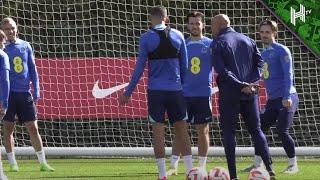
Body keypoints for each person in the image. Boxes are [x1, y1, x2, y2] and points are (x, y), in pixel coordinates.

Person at [118, 6, 192, 180]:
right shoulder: (179, 35)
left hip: (156, 93)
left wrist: (128, 92)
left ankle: (162, 175)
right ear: (167, 19)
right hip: (176, 91)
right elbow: (185, 67)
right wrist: (181, 87)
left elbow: (139, 69)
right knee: (182, 131)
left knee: (158, 131)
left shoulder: (146, 38)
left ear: (150, 20)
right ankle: (190, 173)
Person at [210, 14, 275, 180]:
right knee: (256, 130)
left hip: (230, 95)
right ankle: (270, 168)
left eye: (212, 25)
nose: (211, 29)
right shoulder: (248, 40)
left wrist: (241, 85)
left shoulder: (217, 42)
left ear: (219, 25)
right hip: (250, 94)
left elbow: (223, 71)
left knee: (229, 133)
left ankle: (233, 176)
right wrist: (251, 83)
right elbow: (260, 64)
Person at [241, 20, 299, 174]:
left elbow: (288, 76)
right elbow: (260, 76)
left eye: (267, 32)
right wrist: (251, 84)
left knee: (282, 130)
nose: (264, 35)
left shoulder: (282, 51)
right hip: (273, 100)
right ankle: (257, 164)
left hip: (288, 97)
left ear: (274, 33)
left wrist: (286, 97)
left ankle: (293, 164)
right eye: (262, 32)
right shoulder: (262, 53)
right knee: (259, 130)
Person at [1, 17, 54, 172]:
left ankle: (43, 162)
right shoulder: (1, 49)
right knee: (8, 128)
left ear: (16, 28)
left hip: (25, 94)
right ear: (2, 32)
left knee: (33, 127)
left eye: (12, 28)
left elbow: (33, 69)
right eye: (6, 29)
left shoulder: (25, 45)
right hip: (8, 95)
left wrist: (36, 88)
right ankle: (12, 164)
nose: (10, 31)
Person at [167, 11, 214, 176]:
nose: (195, 26)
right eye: (192, 23)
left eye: (198, 23)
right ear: (187, 26)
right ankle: (173, 165)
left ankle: (201, 166)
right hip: (183, 94)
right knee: (179, 129)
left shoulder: (211, 44)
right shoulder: (182, 44)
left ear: (203, 25)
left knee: (203, 130)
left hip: (203, 94)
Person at [0, 29, 10, 180]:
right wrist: (5, 102)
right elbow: (5, 81)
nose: (4, 44)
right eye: (2, 41)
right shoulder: (2, 56)